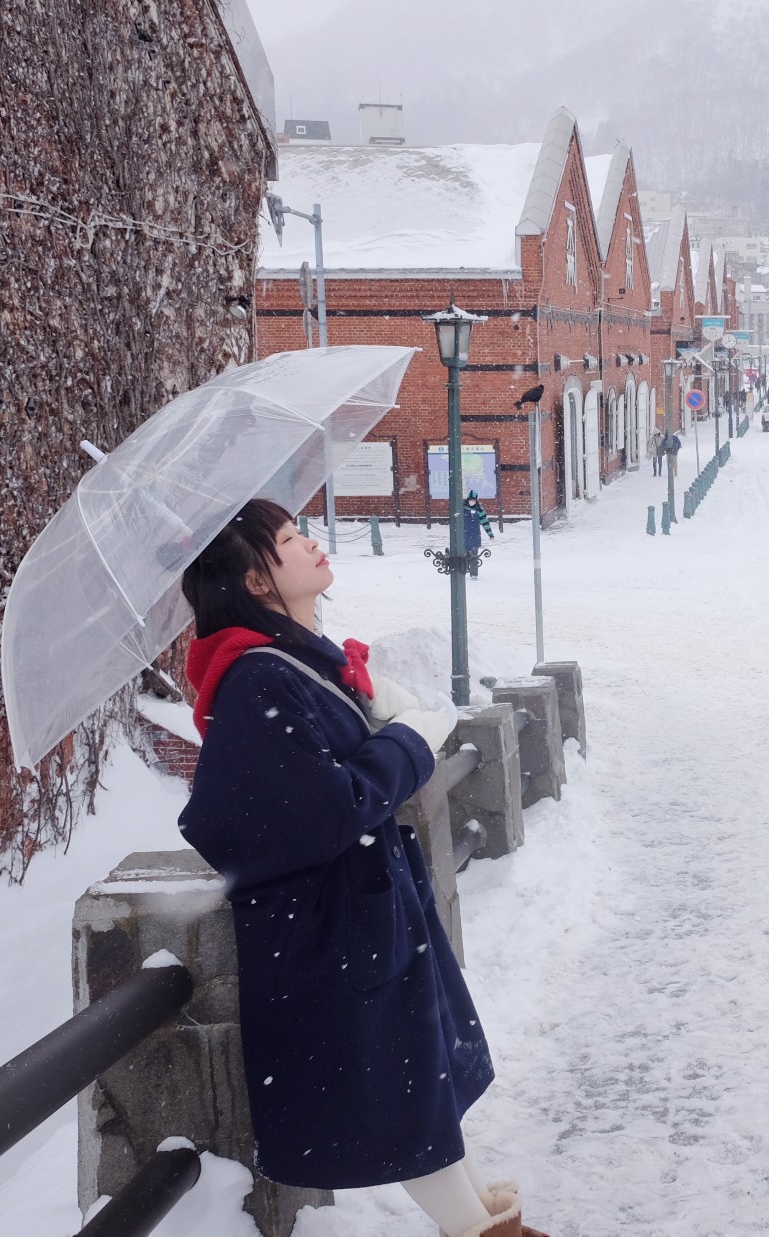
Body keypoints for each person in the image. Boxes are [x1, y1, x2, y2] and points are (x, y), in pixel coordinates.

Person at [176, 500, 536, 1237]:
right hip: (337, 932)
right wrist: (409, 739)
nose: (311, 540)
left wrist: (385, 714)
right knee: (402, 1098)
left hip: (361, 916)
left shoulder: (295, 658)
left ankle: (484, 1219)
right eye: (289, 539)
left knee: (417, 1089)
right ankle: (485, 1229)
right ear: (255, 578)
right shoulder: (256, 682)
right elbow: (332, 804)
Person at [464, 493, 496, 578]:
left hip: (475, 535)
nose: (472, 502)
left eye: (473, 500)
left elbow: (485, 522)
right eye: (470, 500)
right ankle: (464, 570)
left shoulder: (479, 510)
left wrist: (490, 534)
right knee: (464, 555)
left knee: (474, 555)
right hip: (464, 535)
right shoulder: (462, 508)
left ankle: (474, 573)